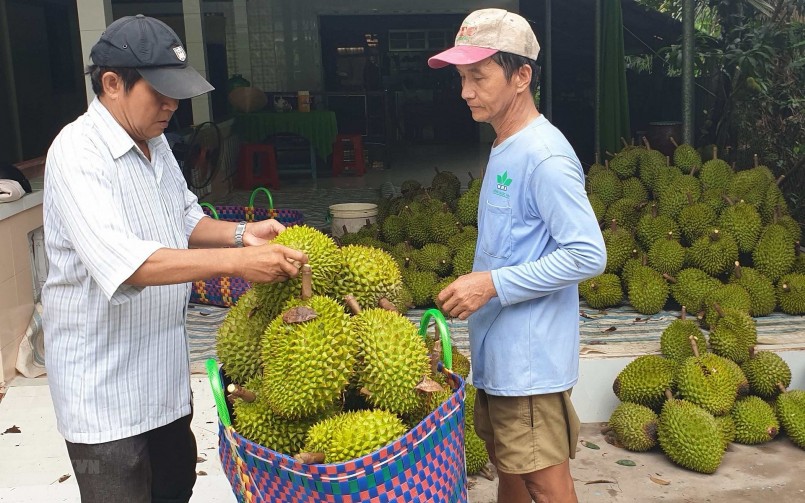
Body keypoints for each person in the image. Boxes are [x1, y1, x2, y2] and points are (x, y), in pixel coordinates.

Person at [42, 15, 308, 503]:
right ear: (112, 84)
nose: (171, 106)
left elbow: (184, 215)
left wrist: (243, 234)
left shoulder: (156, 141)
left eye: (176, 94)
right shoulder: (77, 154)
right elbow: (131, 264)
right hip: (104, 394)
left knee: (175, 486)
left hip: (162, 379)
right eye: (159, 93)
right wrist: (236, 266)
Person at [430, 9, 606, 503]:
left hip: (530, 364)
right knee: (511, 471)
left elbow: (588, 254)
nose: (466, 91)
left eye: (478, 77)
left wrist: (490, 284)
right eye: (462, 78)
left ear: (521, 76)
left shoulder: (545, 156)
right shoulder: (507, 145)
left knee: (544, 482)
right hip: (501, 355)